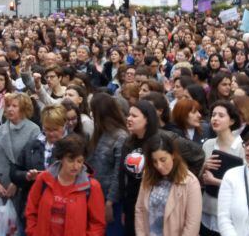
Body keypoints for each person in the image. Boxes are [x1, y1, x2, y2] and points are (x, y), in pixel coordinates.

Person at [25, 134, 106, 236]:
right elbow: (31, 210)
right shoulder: (44, 179)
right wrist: (33, 232)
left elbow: (97, 224)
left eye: (80, 161)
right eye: (70, 160)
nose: (76, 166)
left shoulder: (91, 187)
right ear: (61, 158)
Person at [10, 104, 68, 229]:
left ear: (63, 127)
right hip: (33, 206)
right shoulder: (32, 145)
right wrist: (27, 176)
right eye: (47, 129)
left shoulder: (71, 146)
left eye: (55, 129)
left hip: (61, 208)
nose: (51, 133)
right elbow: (14, 172)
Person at [135, 133, 202, 236]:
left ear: (173, 155)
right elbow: (140, 209)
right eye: (154, 161)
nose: (159, 166)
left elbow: (192, 225)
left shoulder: (190, 183)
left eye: (163, 160)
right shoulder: (148, 175)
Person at [0, 92, 41, 206]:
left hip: (22, 189)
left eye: (14, 106)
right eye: (8, 106)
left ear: (24, 109)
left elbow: (33, 162)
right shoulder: (0, 130)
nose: (10, 109)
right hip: (0, 188)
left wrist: (16, 182)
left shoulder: (34, 130)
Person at [87, 93, 128, 235]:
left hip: (110, 200)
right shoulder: (100, 132)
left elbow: (119, 174)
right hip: (95, 195)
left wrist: (110, 202)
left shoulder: (121, 137)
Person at [201, 101, 244, 236]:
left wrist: (216, 181)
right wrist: (204, 167)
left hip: (230, 215)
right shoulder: (208, 144)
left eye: (221, 115)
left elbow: (245, 184)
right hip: (206, 208)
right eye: (213, 115)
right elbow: (200, 180)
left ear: (231, 121)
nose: (215, 119)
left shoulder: (242, 148)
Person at [120, 100, 159, 236]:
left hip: (152, 205)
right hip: (131, 203)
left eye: (134, 116)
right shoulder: (128, 142)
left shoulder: (159, 142)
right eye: (129, 115)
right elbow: (122, 175)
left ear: (147, 119)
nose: (129, 119)